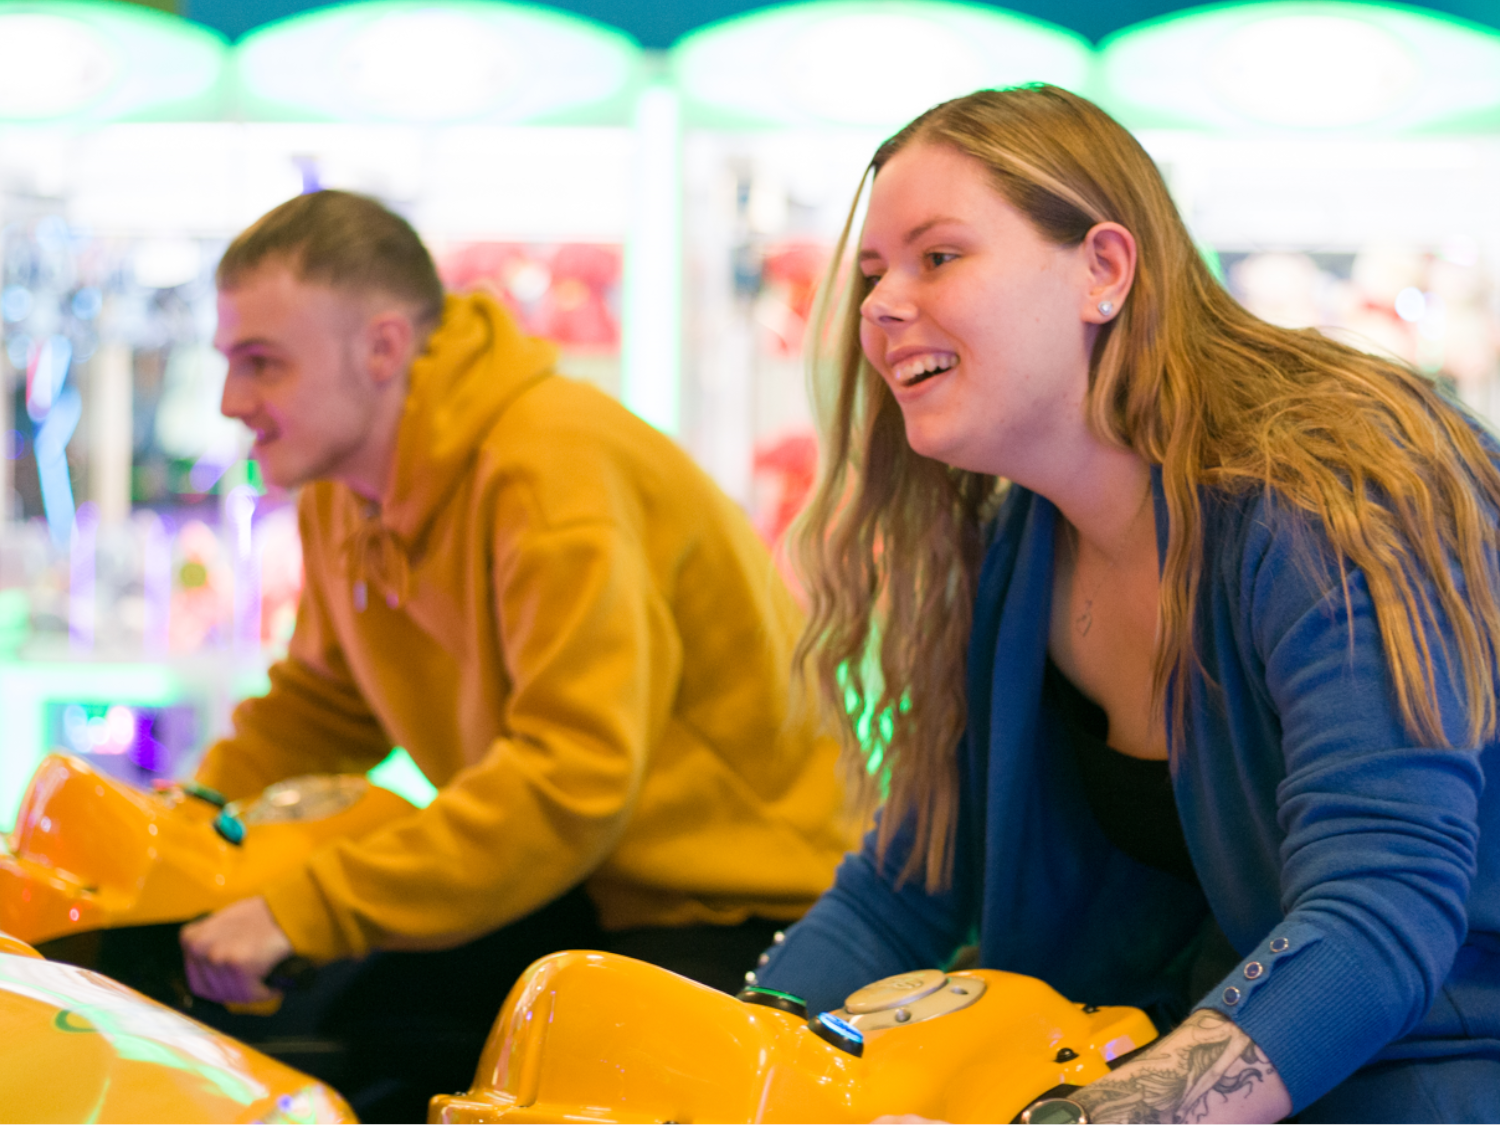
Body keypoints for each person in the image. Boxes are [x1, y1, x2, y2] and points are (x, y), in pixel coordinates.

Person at [753, 85, 1500, 1123]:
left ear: (1103, 269)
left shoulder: (1326, 496)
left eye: (938, 256)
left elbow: (1375, 921)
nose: (879, 305)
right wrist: (722, 1056)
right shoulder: (1022, 544)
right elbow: (904, 891)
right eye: (875, 272)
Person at [178, 190, 850, 1119]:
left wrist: (306, 907)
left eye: (262, 363)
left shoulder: (548, 467)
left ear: (381, 349)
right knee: (325, 1033)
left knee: (396, 1064)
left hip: (744, 910)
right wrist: (186, 827)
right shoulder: (346, 486)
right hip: (591, 886)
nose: (231, 401)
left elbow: (573, 776)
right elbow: (322, 706)